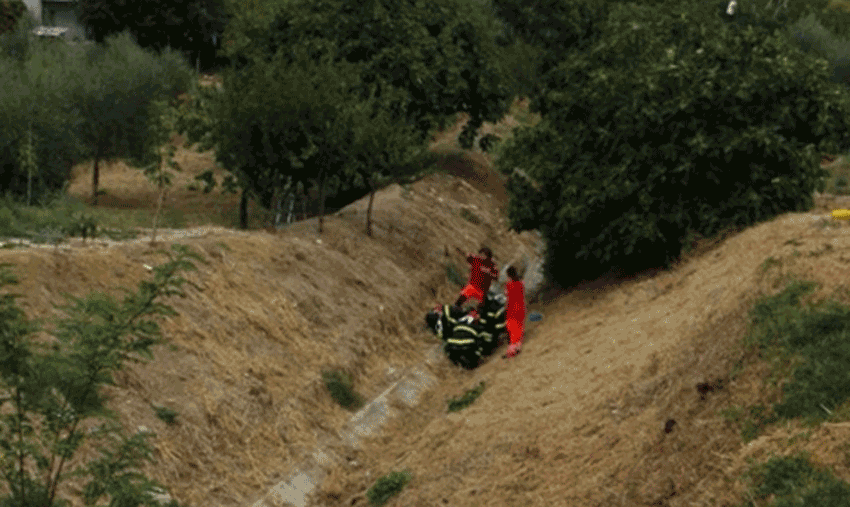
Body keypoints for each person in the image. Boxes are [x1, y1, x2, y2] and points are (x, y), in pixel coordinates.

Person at [454, 246, 499, 317]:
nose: (483, 257)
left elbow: (496, 277)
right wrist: (460, 251)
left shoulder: (492, 266)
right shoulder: (477, 259)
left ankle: (476, 316)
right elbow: (466, 256)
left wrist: (489, 274)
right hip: (472, 286)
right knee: (462, 297)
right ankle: (455, 309)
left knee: (480, 307)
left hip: (482, 291)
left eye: (485, 256)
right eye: (481, 254)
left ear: (489, 257)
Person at [503, 265, 526, 359]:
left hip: (512, 308)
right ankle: (517, 347)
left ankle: (511, 350)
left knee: (512, 329)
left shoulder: (508, 285)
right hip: (521, 308)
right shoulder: (521, 283)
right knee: (519, 330)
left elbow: (507, 297)